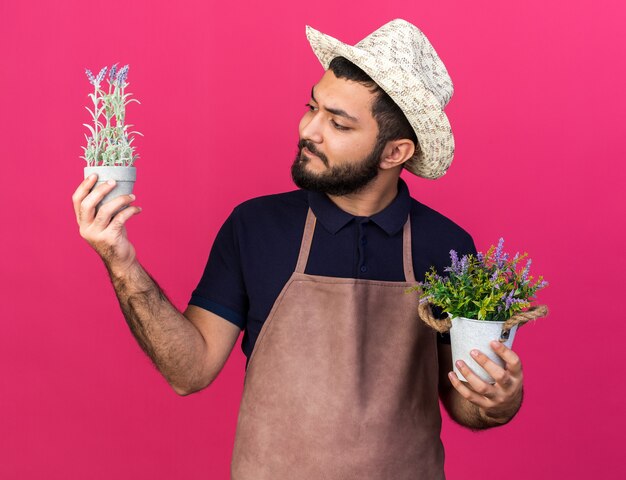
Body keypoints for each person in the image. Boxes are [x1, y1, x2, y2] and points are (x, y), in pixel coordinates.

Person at [72, 18, 524, 480]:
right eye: (312, 107)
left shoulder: (447, 247)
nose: (308, 129)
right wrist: (121, 263)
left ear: (395, 153)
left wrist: (499, 400)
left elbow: (466, 404)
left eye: (338, 123)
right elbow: (189, 372)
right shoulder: (256, 227)